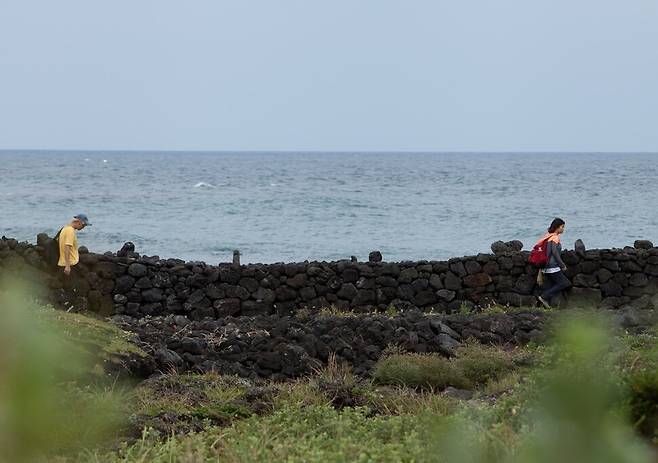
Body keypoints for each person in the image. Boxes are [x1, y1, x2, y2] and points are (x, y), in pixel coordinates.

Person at [537, 217, 570, 308]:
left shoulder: (547, 236)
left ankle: (546, 305)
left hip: (545, 266)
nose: (563, 229)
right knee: (565, 283)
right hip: (552, 267)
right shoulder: (555, 238)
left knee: (550, 285)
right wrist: (562, 265)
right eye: (562, 227)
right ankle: (543, 297)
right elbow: (554, 252)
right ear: (557, 227)